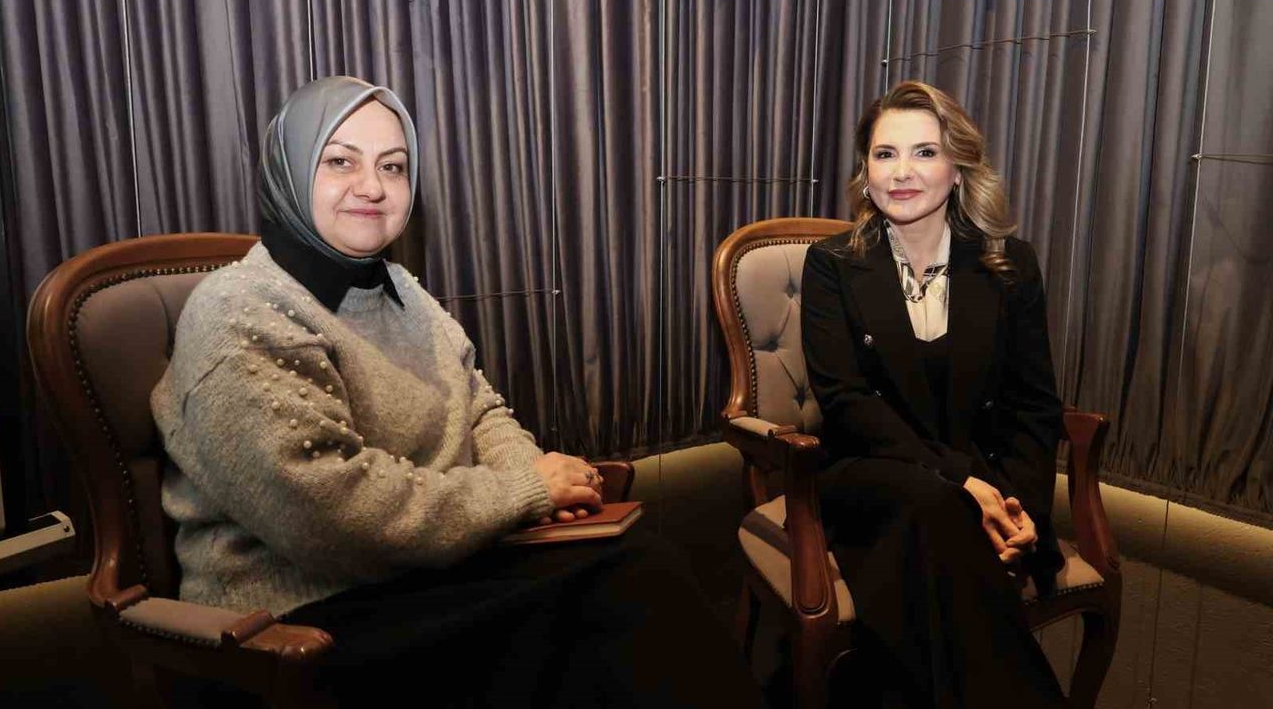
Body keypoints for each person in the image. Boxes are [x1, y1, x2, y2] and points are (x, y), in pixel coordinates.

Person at [151, 76, 761, 707]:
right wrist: (524, 492)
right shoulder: (241, 310)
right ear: (289, 171)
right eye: (340, 162)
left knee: (637, 566)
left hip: (428, 573)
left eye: (393, 166)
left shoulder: (397, 286)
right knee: (625, 595)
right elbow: (329, 516)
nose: (372, 186)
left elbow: (479, 408)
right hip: (299, 624)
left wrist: (537, 489)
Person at [801, 80, 1069, 707]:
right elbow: (847, 403)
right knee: (934, 504)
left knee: (939, 532)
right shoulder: (832, 263)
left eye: (925, 152)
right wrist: (961, 482)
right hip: (867, 475)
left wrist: (1021, 508)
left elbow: (1034, 406)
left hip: (980, 484)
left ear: (959, 168)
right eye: (884, 153)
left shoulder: (1010, 264)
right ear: (865, 171)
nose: (902, 172)